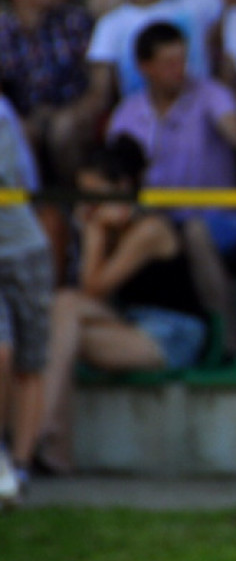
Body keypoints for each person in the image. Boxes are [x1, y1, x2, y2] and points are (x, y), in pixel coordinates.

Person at [36, 136, 208, 475]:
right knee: (63, 313)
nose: (87, 205)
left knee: (63, 324)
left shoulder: (151, 228)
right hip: (131, 324)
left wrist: (94, 233)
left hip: (174, 334)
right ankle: (53, 445)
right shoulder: (108, 223)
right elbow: (88, 294)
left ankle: (47, 435)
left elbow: (94, 287)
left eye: (95, 194)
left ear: (123, 186)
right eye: (83, 194)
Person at [106, 21, 236, 358]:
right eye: (168, 63)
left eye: (182, 60)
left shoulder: (210, 93)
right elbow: (114, 171)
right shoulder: (127, 113)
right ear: (145, 67)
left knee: (197, 232)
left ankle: (227, 344)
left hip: (217, 220)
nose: (178, 70)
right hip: (158, 225)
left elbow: (234, 127)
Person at [0, 0, 97, 187]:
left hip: (74, 109)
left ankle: (72, 201)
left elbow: (98, 80)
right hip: (25, 116)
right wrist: (18, 121)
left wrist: (79, 109)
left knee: (63, 130)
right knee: (14, 134)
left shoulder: (75, 21)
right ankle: (30, 209)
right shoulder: (3, 33)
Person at [0, 95, 53, 504]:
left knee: (30, 363)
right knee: (1, 353)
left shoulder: (2, 116)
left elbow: (13, 179)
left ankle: (20, 466)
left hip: (24, 250)